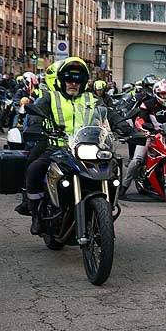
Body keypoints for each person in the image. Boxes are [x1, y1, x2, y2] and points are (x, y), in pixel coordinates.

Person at [22, 58, 100, 234]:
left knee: (113, 168)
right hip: (56, 148)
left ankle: (103, 214)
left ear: (83, 82)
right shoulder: (51, 97)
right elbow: (37, 110)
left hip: (86, 148)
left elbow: (109, 113)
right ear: (61, 80)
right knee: (34, 169)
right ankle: (35, 214)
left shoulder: (92, 99)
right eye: (68, 78)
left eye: (77, 79)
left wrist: (124, 126)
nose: (73, 83)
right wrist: (35, 124)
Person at [122, 79, 166, 197]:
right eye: (162, 94)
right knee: (137, 159)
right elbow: (140, 119)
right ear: (156, 93)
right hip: (150, 135)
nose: (165, 96)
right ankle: (124, 186)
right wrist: (143, 127)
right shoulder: (148, 104)